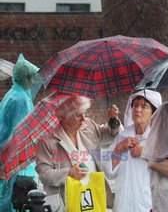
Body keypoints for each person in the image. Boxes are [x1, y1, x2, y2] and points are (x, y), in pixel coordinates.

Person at [36, 96, 122, 212]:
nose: (83, 118)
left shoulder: (88, 126)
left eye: (84, 113)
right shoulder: (47, 141)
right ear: (64, 117)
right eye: (78, 115)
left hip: (94, 194)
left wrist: (113, 120)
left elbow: (108, 134)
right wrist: (69, 172)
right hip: (66, 201)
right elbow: (44, 175)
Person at [103, 90, 162, 212]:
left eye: (144, 106)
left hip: (147, 204)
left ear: (154, 112)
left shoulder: (160, 136)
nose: (138, 109)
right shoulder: (123, 136)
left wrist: (145, 152)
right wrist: (119, 148)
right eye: (135, 105)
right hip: (123, 204)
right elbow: (109, 171)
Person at [0, 53, 40, 212]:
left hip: (7, 156)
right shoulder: (21, 99)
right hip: (16, 161)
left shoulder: (13, 94)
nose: (33, 81)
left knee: (6, 196)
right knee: (17, 199)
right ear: (25, 77)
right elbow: (21, 133)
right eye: (31, 77)